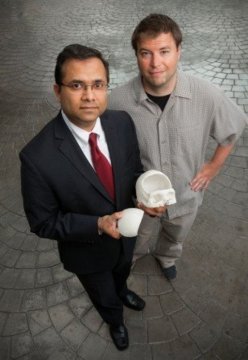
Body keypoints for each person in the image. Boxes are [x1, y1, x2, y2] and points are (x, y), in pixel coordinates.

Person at [19, 44, 145, 351]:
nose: (89, 96)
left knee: (122, 271)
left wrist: (145, 197)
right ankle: (114, 320)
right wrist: (98, 224)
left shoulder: (122, 123)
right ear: (57, 90)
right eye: (77, 85)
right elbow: (43, 223)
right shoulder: (36, 157)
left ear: (106, 88)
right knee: (103, 295)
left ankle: (122, 289)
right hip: (87, 254)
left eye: (97, 85)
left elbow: (133, 173)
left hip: (126, 238)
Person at [108, 14, 247, 281]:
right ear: (136, 54)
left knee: (176, 233)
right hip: (139, 201)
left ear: (179, 51)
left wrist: (212, 167)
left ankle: (167, 256)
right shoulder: (117, 102)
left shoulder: (207, 95)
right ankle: (132, 259)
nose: (155, 63)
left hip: (185, 195)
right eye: (145, 53)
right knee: (137, 237)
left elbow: (232, 130)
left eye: (164, 51)